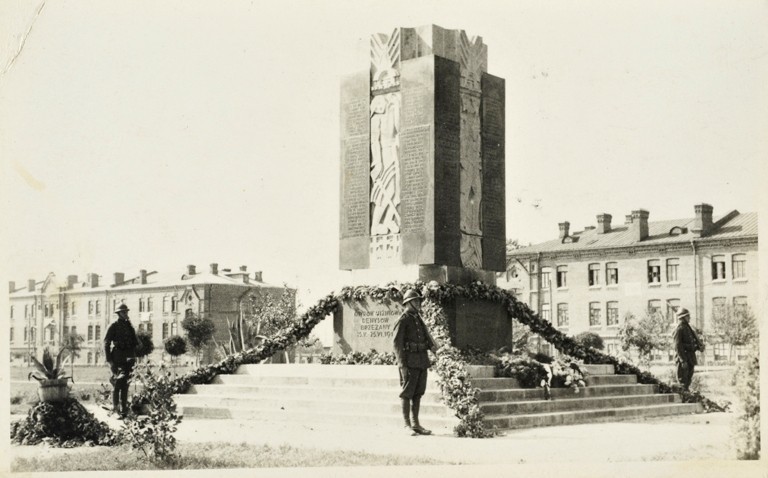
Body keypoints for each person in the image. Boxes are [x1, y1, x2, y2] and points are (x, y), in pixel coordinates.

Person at [392, 290, 436, 435]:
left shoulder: (417, 318)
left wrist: (438, 351)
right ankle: (406, 425)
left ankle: (416, 424)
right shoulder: (403, 319)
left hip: (422, 360)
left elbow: (428, 339)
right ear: (408, 303)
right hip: (409, 362)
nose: (418, 303)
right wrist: (402, 365)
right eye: (415, 301)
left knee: (418, 393)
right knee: (407, 393)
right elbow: (397, 344)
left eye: (419, 301)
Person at [104, 303, 139, 416]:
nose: (126, 314)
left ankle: (123, 410)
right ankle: (116, 409)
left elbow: (135, 342)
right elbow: (106, 342)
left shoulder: (129, 326)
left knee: (125, 384)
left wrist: (134, 356)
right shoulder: (113, 326)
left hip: (129, 357)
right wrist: (109, 360)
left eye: (126, 312)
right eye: (123, 312)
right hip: (117, 357)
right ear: (118, 313)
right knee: (118, 383)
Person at [673, 307, 703, 392]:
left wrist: (698, 347)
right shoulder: (679, 329)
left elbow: (690, 344)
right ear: (682, 317)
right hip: (684, 358)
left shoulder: (687, 328)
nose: (689, 318)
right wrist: (682, 360)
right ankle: (683, 398)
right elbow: (678, 346)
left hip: (690, 358)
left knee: (688, 381)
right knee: (682, 381)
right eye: (687, 316)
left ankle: (686, 396)